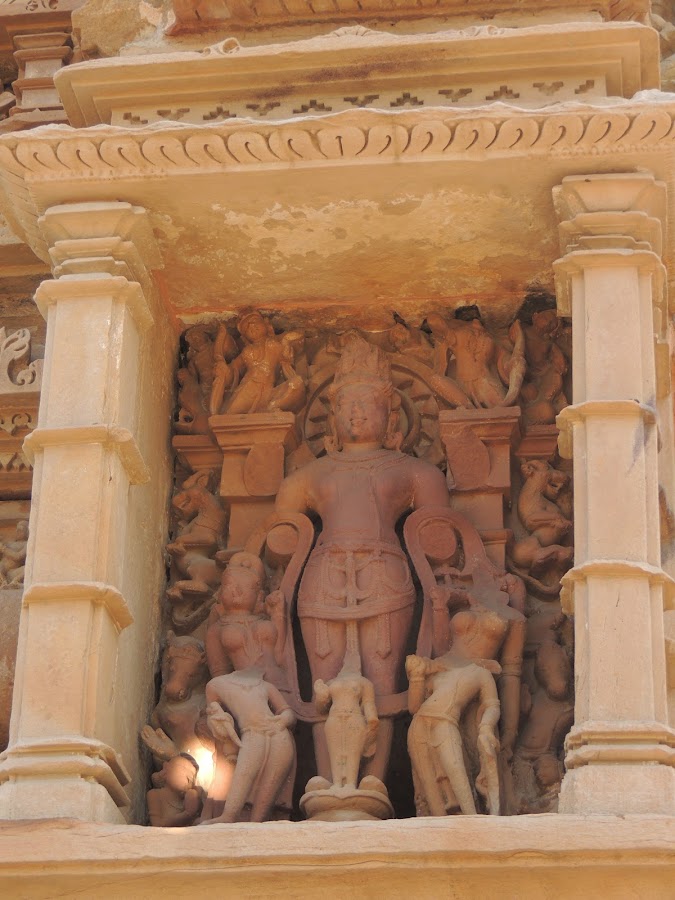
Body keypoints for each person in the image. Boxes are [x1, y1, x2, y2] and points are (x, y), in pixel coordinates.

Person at [274, 333, 452, 780]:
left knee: (382, 680)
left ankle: (373, 782)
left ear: (391, 414)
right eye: (346, 404)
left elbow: (441, 541)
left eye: (367, 403)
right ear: (332, 416)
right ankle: (326, 781)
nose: (356, 412)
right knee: (324, 681)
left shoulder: (415, 472)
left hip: (384, 574)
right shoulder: (309, 476)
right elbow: (280, 537)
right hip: (324, 577)